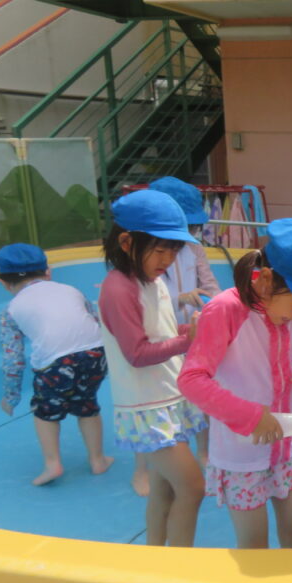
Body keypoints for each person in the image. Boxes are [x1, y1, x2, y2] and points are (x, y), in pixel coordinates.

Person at [179, 219, 292, 549]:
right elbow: (191, 379)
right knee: (254, 547)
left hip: (290, 446)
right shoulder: (226, 310)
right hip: (242, 454)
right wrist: (250, 417)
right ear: (266, 280)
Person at [99, 189, 206, 547]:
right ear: (127, 242)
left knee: (166, 492)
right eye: (160, 250)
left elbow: (161, 333)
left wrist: (191, 331)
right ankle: (178, 569)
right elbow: (137, 353)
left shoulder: (151, 281)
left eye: (174, 251)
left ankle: (155, 559)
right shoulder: (118, 288)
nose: (168, 259)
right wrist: (188, 341)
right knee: (193, 487)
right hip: (148, 407)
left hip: (167, 398)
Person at [0, 243, 111, 485]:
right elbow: (95, 321)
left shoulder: (10, 311)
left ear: (4, 283)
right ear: (48, 272)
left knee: (45, 413)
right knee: (87, 404)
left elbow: (13, 360)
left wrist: (11, 396)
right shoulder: (71, 290)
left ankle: (53, 464)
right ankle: (98, 459)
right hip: (96, 354)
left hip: (55, 364)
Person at [148, 176, 221, 469]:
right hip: (159, 336)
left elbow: (210, 285)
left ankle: (204, 450)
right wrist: (180, 298)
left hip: (193, 334)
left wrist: (222, 308)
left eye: (192, 227)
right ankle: (163, 458)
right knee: (163, 399)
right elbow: (144, 302)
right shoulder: (145, 255)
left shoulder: (194, 248)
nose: (189, 234)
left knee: (201, 392)